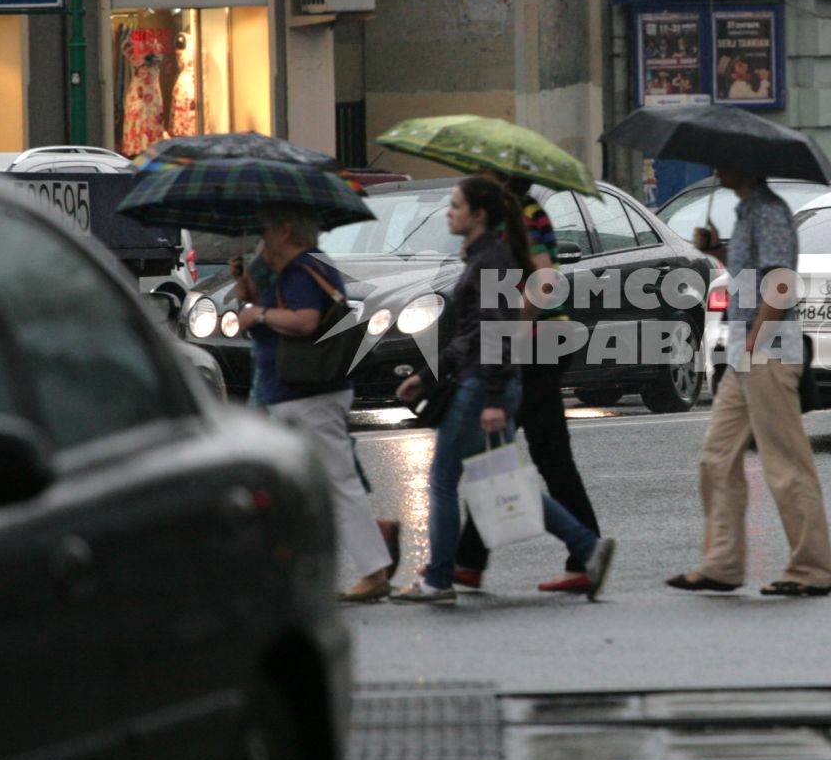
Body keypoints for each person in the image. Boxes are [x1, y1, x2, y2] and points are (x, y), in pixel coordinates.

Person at [391, 176, 617, 605]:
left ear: (480, 213)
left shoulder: (498, 252)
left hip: (493, 377)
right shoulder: (487, 255)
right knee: (499, 472)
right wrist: (428, 374)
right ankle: (585, 548)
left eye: (456, 205)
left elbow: (496, 328)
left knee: (445, 478)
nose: (448, 212)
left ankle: (441, 577)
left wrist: (494, 396)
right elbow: (473, 333)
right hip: (493, 374)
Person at [667, 169, 831, 597]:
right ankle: (723, 563)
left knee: (785, 464)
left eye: (723, 160)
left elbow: (779, 283)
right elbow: (751, 278)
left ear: (745, 165)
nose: (715, 167)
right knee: (716, 458)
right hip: (744, 352)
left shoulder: (770, 213)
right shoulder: (746, 214)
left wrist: (756, 344)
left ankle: (811, 569)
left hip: (767, 352)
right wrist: (719, 250)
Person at [231, 204, 396, 603]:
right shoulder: (295, 268)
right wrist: (248, 282)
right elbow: (253, 299)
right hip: (294, 392)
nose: (264, 235)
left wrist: (260, 314)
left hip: (308, 393)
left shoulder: (304, 268)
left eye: (269, 227)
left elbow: (305, 321)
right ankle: (291, 568)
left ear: (287, 230)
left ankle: (374, 571)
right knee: (300, 486)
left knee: (337, 482)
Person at [453, 172, 604, 594]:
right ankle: (471, 559)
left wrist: (509, 331)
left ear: (499, 177)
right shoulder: (505, 216)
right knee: (510, 453)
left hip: (534, 346)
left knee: (514, 453)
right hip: (534, 345)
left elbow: (543, 279)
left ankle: (585, 551)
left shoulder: (524, 213)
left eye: (481, 171)